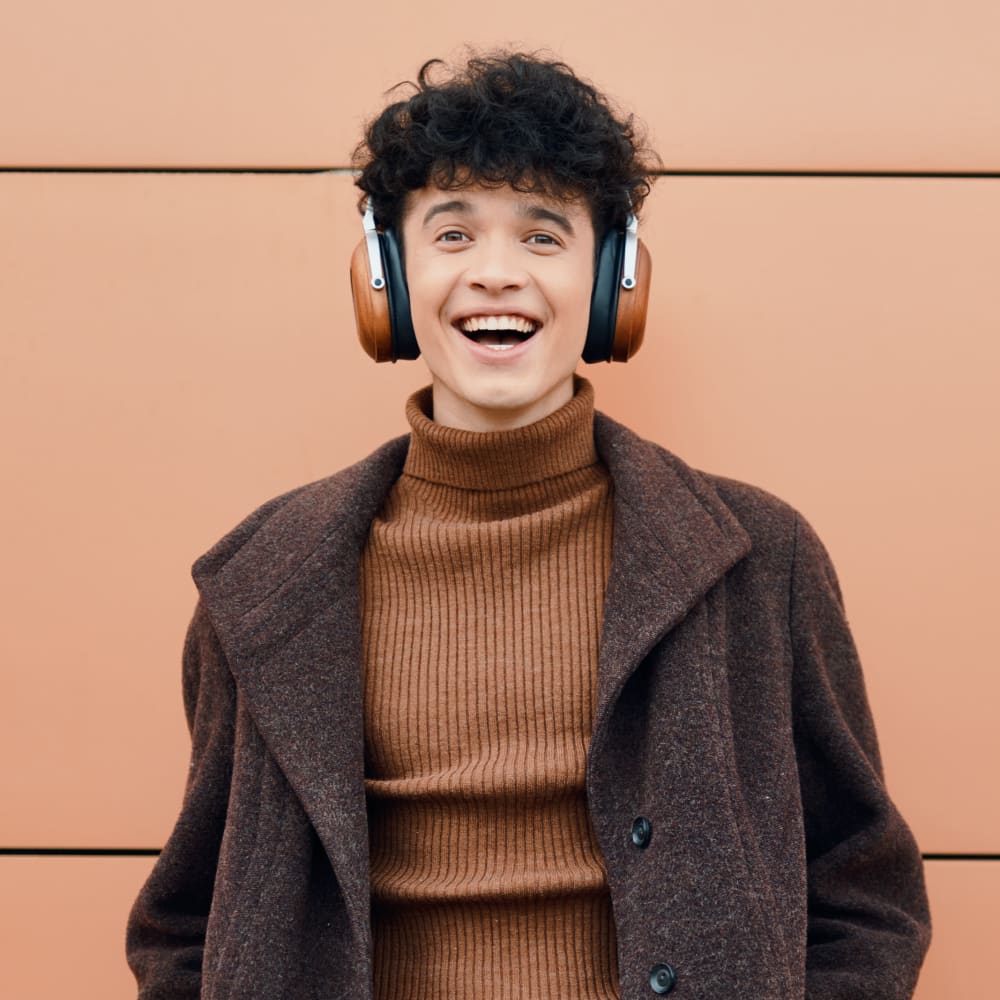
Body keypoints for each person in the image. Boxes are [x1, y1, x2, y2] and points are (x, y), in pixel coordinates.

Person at [126, 51, 931, 999]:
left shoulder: (761, 559)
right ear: (386, 273)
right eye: (452, 234)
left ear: (609, 283)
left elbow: (864, 894)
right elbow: (188, 921)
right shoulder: (263, 579)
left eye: (545, 237)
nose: (496, 276)